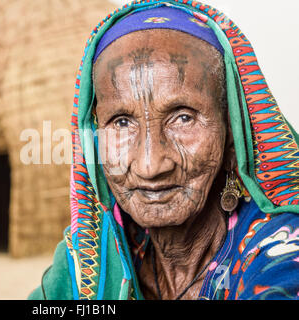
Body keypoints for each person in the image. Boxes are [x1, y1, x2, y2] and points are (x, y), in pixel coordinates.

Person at [29, 1, 299, 300]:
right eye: (121, 122)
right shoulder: (87, 257)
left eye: (183, 118)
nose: (151, 165)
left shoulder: (282, 253)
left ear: (233, 137)